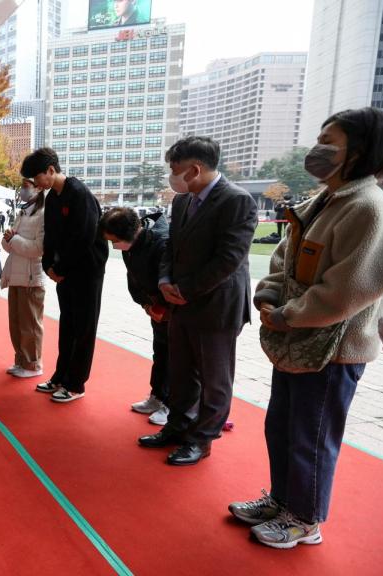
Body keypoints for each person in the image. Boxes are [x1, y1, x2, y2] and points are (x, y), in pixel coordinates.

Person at [229, 107, 383, 549]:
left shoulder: (368, 207)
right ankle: (283, 500)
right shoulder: (321, 201)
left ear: (357, 153)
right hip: (297, 340)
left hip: (333, 347)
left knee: (312, 437)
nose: (316, 150)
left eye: (328, 142)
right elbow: (284, 259)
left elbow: (347, 290)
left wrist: (289, 314)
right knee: (281, 426)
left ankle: (305, 519)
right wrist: (269, 296)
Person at [138, 136, 258, 466]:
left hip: (216, 305)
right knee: (180, 371)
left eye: (175, 170)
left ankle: (202, 439)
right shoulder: (182, 202)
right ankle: (177, 427)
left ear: (195, 168)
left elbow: (229, 259)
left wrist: (185, 289)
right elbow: (170, 248)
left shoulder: (237, 201)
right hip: (181, 301)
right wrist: (165, 281)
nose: (172, 176)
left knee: (214, 379)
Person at [24, 147, 108, 403]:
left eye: (36, 178)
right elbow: (51, 235)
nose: (35, 184)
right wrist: (49, 265)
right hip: (64, 272)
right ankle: (61, 375)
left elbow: (83, 239)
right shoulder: (53, 198)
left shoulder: (79, 194)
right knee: (67, 326)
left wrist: (60, 269)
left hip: (86, 271)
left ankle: (76, 384)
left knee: (84, 328)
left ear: (50, 170)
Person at [99, 207, 171, 425]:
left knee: (174, 357)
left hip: (170, 308)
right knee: (160, 352)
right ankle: (157, 396)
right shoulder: (130, 246)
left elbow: (168, 279)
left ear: (128, 235)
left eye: (115, 241)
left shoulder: (161, 244)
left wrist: (163, 307)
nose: (114, 246)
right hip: (153, 305)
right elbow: (134, 279)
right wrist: (146, 304)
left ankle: (172, 404)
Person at [1, 180, 48, 379]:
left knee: (30, 324)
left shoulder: (42, 214)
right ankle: (21, 360)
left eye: (27, 185)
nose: (23, 189)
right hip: (17, 274)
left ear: (38, 187)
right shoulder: (23, 212)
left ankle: (33, 364)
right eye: (22, 185)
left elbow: (39, 249)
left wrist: (14, 240)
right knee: (17, 322)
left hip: (31, 277)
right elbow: (8, 244)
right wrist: (8, 238)